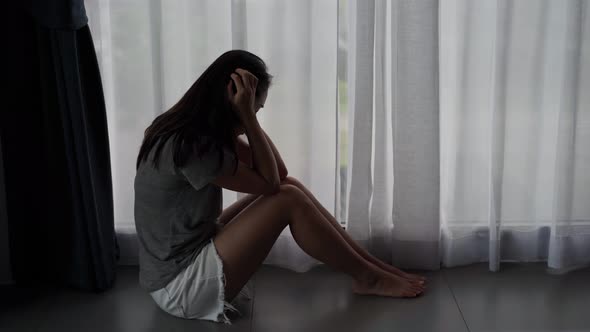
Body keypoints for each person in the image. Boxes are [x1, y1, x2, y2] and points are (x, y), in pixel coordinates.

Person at [134, 50, 427, 325]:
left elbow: (280, 173)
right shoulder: (192, 146)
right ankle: (370, 277)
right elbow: (270, 183)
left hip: (189, 255)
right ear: (232, 102)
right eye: (254, 108)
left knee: (290, 187)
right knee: (286, 199)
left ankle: (371, 267)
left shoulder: (192, 130)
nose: (254, 116)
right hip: (180, 285)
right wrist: (248, 116)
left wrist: (248, 116)